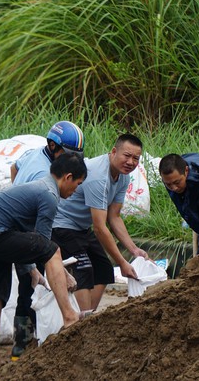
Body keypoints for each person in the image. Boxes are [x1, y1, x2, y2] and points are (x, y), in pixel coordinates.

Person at [0, 153, 88, 372]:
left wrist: (33, 272)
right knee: (53, 250)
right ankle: (70, 316)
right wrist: (64, 274)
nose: (76, 191)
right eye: (78, 184)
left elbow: (26, 241)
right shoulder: (49, 195)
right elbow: (44, 247)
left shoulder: (39, 186)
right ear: (68, 177)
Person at [9, 120, 85, 361]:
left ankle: (29, 340)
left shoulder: (34, 155)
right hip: (23, 231)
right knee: (29, 285)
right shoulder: (45, 174)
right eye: (68, 154)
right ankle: (23, 344)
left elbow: (14, 166)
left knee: (31, 283)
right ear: (53, 146)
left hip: (22, 224)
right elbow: (43, 237)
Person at [52, 133, 149, 312]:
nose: (131, 162)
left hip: (80, 227)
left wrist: (134, 250)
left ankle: (88, 316)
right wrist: (122, 262)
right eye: (127, 156)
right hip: (61, 224)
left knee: (104, 269)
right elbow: (99, 227)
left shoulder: (123, 176)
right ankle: (81, 323)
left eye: (136, 158)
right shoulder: (97, 176)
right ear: (113, 152)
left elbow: (114, 217)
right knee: (84, 269)